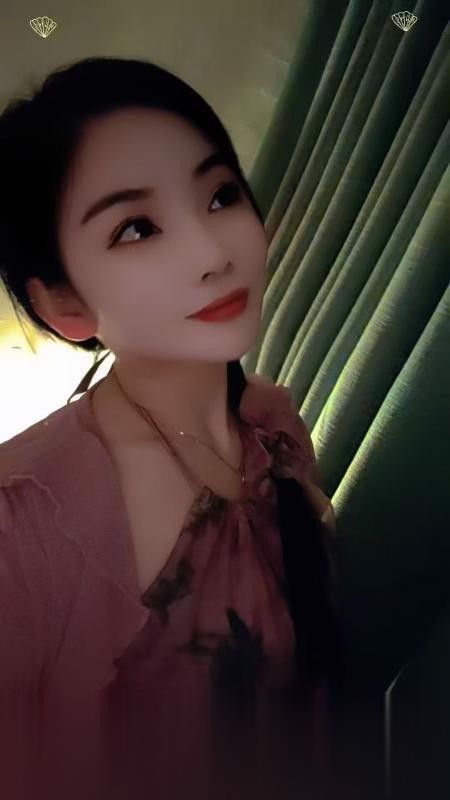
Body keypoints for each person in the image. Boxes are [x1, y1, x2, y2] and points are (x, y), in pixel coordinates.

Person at [0, 57, 345, 800]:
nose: (214, 253)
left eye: (220, 195)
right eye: (137, 228)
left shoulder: (274, 428)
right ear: (65, 304)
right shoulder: (21, 526)